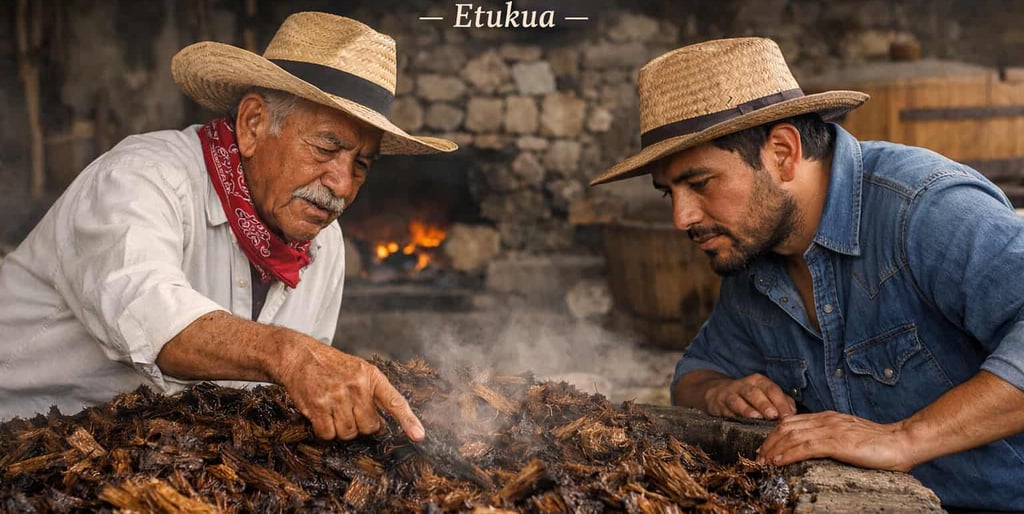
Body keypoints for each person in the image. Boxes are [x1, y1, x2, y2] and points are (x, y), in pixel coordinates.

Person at [590, 37, 1024, 510]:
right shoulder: (752, 258)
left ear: (781, 152)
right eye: (668, 194)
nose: (682, 218)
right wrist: (721, 392)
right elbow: (694, 376)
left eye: (699, 183)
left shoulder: (925, 208)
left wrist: (904, 437)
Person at [0, 12, 457, 443]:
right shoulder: (141, 178)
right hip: (21, 440)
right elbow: (152, 316)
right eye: (324, 148)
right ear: (253, 123)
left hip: (157, 456)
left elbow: (281, 399)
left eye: (360, 164)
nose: (341, 185)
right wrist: (287, 353)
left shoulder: (325, 243)